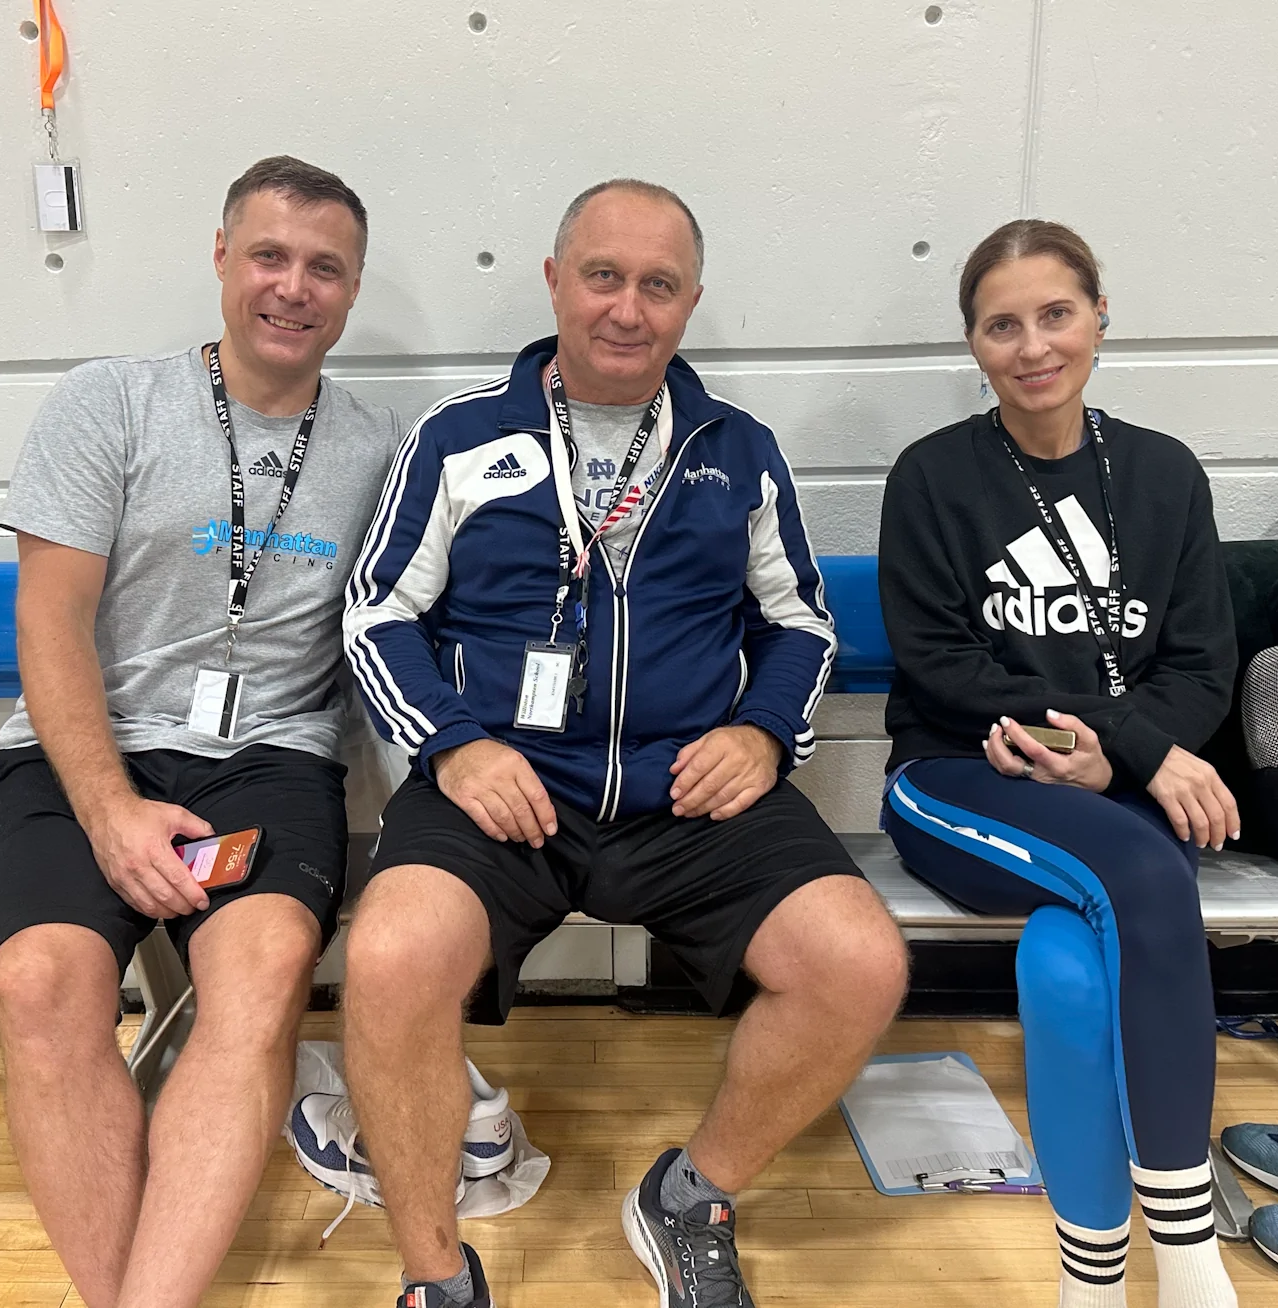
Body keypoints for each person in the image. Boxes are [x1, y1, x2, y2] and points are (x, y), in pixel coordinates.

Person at [338, 178, 910, 1308]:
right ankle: (434, 1276)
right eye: (603, 276)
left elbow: (799, 622)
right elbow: (375, 611)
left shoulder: (737, 449)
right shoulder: (459, 438)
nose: (627, 308)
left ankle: (691, 1195)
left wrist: (763, 735)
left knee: (859, 965)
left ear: (690, 302)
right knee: (389, 960)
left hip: (688, 796)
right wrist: (452, 745)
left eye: (659, 285)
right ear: (556, 281)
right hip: (502, 791)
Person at [0, 156, 402, 1308]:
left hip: (271, 757)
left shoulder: (382, 450)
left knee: (260, 979)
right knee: (39, 985)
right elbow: (50, 617)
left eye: (325, 268)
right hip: (90, 744)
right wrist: (108, 808)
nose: (293, 287)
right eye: (269, 255)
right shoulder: (109, 403)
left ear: (352, 289)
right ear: (222, 257)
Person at [877, 220, 1243, 1308]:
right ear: (973, 344)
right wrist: (1125, 745)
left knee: (1067, 968)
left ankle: (1090, 1282)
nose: (1032, 346)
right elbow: (944, 669)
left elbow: (1202, 664)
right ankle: (1189, 1258)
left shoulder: (1164, 473)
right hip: (958, 779)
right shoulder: (934, 476)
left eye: (1055, 315)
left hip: (1105, 802)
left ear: (1098, 319)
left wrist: (1110, 764)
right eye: (1003, 325)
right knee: (1142, 874)